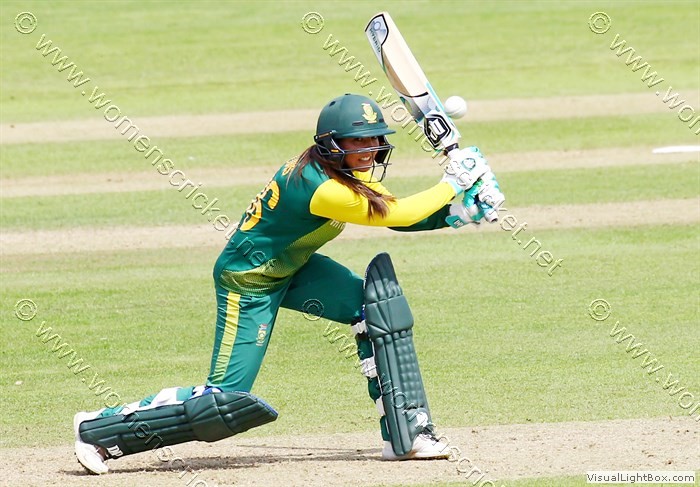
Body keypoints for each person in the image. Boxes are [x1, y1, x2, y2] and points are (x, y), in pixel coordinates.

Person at [73, 93, 504, 474]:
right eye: (357, 142)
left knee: (376, 309)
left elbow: (391, 213)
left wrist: (459, 212)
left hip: (294, 267)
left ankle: (406, 435)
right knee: (224, 400)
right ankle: (100, 430)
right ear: (332, 144)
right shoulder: (321, 186)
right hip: (250, 281)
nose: (368, 150)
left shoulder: (345, 171)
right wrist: (454, 182)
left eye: (373, 139)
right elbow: (396, 213)